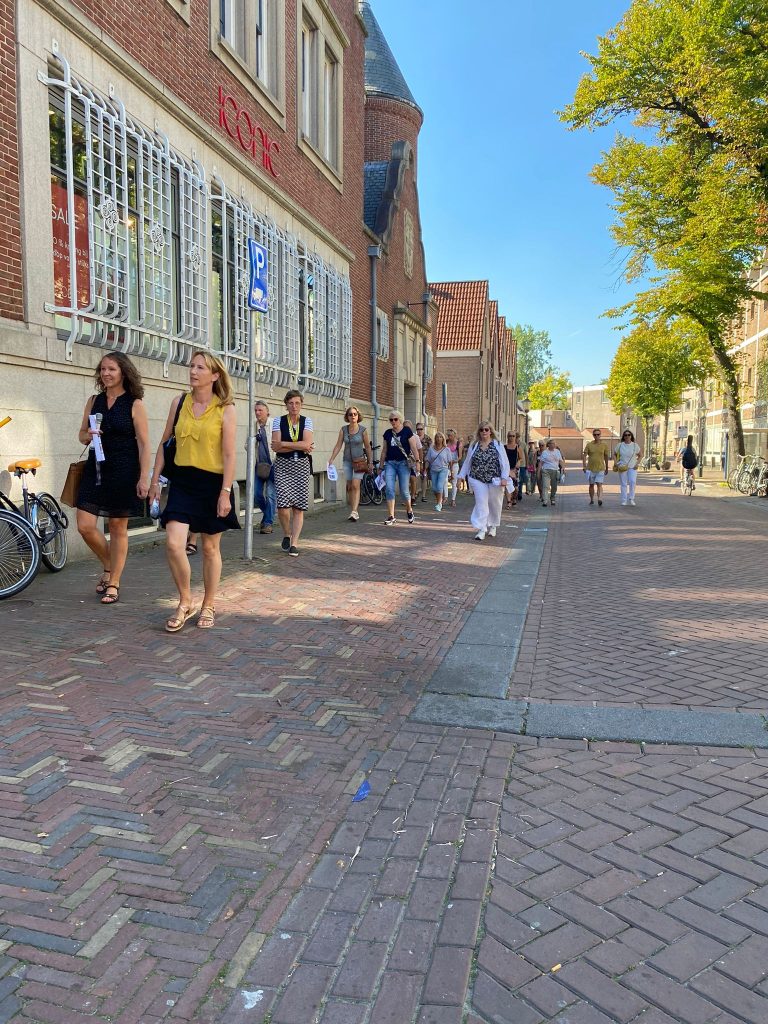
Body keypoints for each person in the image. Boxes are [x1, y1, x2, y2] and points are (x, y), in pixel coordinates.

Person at [150, 350, 238, 632]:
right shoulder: (179, 402)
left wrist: (225, 492)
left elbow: (229, 455)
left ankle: (208, 604)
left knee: (211, 548)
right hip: (183, 482)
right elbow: (164, 444)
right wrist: (154, 481)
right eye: (192, 366)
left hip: (213, 484)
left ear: (214, 375)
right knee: (174, 544)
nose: (193, 371)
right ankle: (185, 600)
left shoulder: (226, 408)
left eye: (201, 367)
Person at [76, 353, 151, 605]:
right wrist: (88, 434)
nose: (106, 373)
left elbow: (144, 444)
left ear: (123, 372)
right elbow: (81, 435)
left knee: (118, 528)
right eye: (103, 369)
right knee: (85, 525)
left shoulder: (134, 403)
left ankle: (114, 581)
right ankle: (109, 564)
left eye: (112, 369)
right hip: (95, 469)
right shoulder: (94, 400)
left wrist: (144, 477)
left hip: (123, 469)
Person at [271, 390, 314, 556]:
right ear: (286, 405)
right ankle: (287, 533)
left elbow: (307, 444)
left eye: (297, 403)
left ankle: (294, 543)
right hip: (282, 464)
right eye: (291, 403)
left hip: (301, 465)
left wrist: (284, 443)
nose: (294, 406)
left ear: (301, 405)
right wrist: (300, 444)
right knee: (282, 506)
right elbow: (276, 446)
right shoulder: (278, 421)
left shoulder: (307, 421)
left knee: (298, 507)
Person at [457, 421, 511, 541]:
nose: (484, 432)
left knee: (494, 503)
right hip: (477, 478)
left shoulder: (497, 444)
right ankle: (482, 528)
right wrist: (460, 477)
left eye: (486, 429)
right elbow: (467, 462)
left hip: (494, 479)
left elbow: (505, 462)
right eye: (481, 430)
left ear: (490, 431)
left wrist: (504, 477)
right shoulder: (474, 445)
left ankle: (493, 525)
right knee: (481, 502)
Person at [328, 406, 372, 522]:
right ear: (347, 417)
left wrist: (370, 462)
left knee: (355, 485)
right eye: (350, 414)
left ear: (358, 416)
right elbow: (338, 445)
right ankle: (353, 509)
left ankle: (354, 511)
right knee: (349, 486)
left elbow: (367, 447)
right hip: (347, 461)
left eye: (355, 414)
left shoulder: (363, 430)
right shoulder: (344, 429)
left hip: (359, 462)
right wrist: (331, 458)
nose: (353, 416)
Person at [380, 411, 420, 525]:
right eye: (391, 420)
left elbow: (413, 448)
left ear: (400, 419)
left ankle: (409, 510)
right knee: (389, 489)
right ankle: (391, 516)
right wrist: (381, 466)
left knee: (404, 490)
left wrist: (418, 462)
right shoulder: (387, 433)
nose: (393, 422)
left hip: (403, 463)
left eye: (395, 419)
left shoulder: (407, 431)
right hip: (390, 463)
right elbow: (384, 451)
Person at [254, 400, 276, 534]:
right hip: (259, 466)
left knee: (270, 494)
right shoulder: (253, 426)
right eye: (255, 410)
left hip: (274, 464)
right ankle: (268, 514)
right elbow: (247, 445)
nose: (257, 413)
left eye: (260, 410)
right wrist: (253, 441)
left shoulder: (274, 424)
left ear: (267, 412)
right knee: (256, 494)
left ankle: (268, 523)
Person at [583, 428, 610, 506]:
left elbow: (606, 456)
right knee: (591, 485)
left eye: (598, 434)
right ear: (593, 435)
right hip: (590, 468)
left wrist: (607, 467)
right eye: (595, 435)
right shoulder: (589, 445)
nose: (596, 436)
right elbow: (584, 455)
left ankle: (599, 499)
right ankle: (592, 499)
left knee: (599, 484)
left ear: (600, 435)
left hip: (600, 468)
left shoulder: (604, 445)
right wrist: (584, 466)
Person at [615, 429, 642, 506]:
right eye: (625, 435)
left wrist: (637, 463)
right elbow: (614, 453)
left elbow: (640, 455)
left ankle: (631, 498)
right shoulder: (620, 445)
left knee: (632, 481)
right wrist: (615, 462)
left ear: (631, 436)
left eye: (628, 435)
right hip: (622, 466)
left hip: (632, 467)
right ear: (623, 436)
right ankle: (624, 500)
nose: (627, 436)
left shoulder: (635, 445)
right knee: (623, 483)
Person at [426, 431, 451, 511]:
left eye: (440, 437)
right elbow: (428, 460)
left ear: (443, 439)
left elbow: (450, 461)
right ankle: (438, 501)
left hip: (443, 469)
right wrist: (425, 469)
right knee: (434, 488)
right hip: (433, 470)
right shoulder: (431, 449)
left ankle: (439, 503)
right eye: (437, 437)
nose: (438, 439)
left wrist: (452, 472)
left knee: (440, 486)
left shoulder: (446, 449)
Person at [540, 439, 565, 507]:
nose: (553, 445)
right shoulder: (545, 452)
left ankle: (552, 498)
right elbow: (541, 463)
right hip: (546, 471)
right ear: (548, 444)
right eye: (551, 443)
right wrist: (538, 471)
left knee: (554, 486)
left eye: (554, 443)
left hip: (555, 471)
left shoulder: (557, 451)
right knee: (546, 486)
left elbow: (560, 461)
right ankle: (545, 501)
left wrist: (563, 468)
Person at [414, 422, 432, 502]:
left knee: (424, 477)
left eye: (421, 429)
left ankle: (423, 495)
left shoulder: (428, 439)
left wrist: (428, 459)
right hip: (416, 461)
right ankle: (415, 493)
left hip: (425, 461)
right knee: (415, 477)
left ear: (423, 430)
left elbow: (431, 449)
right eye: (418, 429)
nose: (419, 431)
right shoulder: (413, 438)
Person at [504, 431, 521, 509]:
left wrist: (518, 463)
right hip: (506, 470)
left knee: (516, 488)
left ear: (515, 437)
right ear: (507, 437)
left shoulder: (517, 447)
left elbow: (521, 458)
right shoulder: (504, 447)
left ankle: (514, 498)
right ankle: (508, 501)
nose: (511, 437)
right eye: (510, 436)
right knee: (508, 485)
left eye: (513, 436)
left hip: (514, 470)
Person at [444, 428, 461, 506]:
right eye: (448, 435)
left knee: (454, 482)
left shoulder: (458, 443)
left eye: (450, 435)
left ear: (454, 435)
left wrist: (455, 461)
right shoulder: (446, 442)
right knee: (444, 480)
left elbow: (460, 456)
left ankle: (453, 500)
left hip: (454, 464)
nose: (449, 437)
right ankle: (446, 497)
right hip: (446, 464)